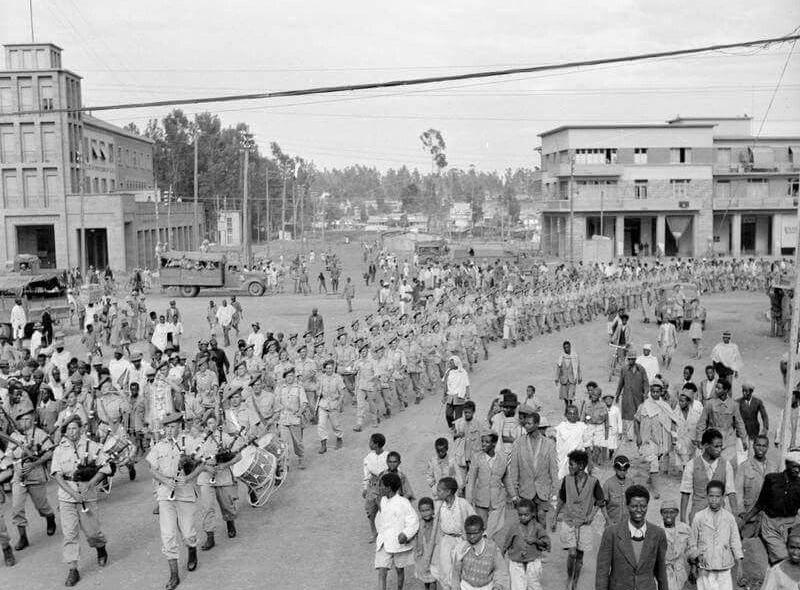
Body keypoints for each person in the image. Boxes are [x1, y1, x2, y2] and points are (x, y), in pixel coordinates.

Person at [50, 415, 110, 587]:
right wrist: (71, 493)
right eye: (68, 429)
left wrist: (91, 483)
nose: (72, 432)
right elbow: (57, 475)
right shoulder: (59, 449)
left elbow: (105, 468)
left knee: (92, 532)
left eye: (74, 428)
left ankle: (100, 547)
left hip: (87, 494)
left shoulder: (92, 446)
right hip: (67, 497)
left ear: (81, 429)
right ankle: (73, 569)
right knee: (69, 534)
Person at [146, 412, 203, 590]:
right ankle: (174, 575)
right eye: (167, 427)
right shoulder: (158, 446)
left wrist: (189, 477)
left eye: (173, 427)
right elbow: (152, 469)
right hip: (165, 494)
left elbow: (202, 463)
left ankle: (192, 549)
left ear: (180, 427)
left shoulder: (189, 442)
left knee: (188, 533)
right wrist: (164, 480)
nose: (170, 430)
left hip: (185, 493)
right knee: (168, 535)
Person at [595, 484, 669, 590]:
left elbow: (661, 572)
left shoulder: (658, 534)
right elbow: (602, 572)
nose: (639, 510)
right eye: (634, 506)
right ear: (627, 506)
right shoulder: (611, 533)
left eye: (643, 506)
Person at [552, 449, 604, 590]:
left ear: (581, 466)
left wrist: (591, 516)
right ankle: (570, 577)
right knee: (572, 553)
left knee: (580, 556)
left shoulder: (593, 482)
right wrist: (555, 516)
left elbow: (600, 501)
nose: (569, 467)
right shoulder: (567, 480)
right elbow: (562, 499)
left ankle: (575, 581)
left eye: (571, 464)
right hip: (569, 522)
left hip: (584, 524)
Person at [736, 450, 800, 565]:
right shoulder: (772, 479)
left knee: (795, 556)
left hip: (792, 525)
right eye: (795, 466)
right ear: (787, 464)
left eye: (799, 467)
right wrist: (744, 520)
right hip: (771, 526)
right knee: (783, 558)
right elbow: (760, 503)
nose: (797, 470)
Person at [5, 408, 56, 550]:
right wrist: (16, 456)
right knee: (16, 508)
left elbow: (50, 452)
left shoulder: (39, 433)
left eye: (27, 419)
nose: (23, 422)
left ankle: (50, 517)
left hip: (35, 474)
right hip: (19, 475)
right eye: (21, 420)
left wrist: (35, 462)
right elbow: (9, 454)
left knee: (42, 505)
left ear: (32, 420)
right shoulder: (14, 435)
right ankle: (23, 537)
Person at [688, 480, 746, 590]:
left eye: (717, 496)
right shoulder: (699, 517)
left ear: (723, 497)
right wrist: (697, 557)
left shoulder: (729, 518)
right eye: (711, 496)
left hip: (724, 568)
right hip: (705, 568)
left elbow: (735, 542)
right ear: (707, 496)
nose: (714, 499)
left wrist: (740, 566)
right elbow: (692, 542)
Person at [507, 407, 559, 527]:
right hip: (525, 490)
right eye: (525, 423)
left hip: (543, 490)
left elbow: (553, 469)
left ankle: (542, 538)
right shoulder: (518, 443)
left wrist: (555, 491)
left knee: (541, 518)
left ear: (537, 424)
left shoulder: (549, 444)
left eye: (529, 423)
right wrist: (514, 493)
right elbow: (514, 469)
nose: (526, 426)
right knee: (526, 522)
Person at [197, 414, 241, 550]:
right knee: (207, 507)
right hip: (206, 476)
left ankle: (230, 522)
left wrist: (225, 465)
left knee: (227, 504)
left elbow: (238, 456)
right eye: (208, 423)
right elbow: (195, 459)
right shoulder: (200, 440)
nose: (211, 425)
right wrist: (205, 466)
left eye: (213, 422)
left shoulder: (224, 437)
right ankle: (210, 537)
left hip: (222, 475)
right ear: (205, 425)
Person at [679, 428, 737, 524]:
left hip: (719, 517)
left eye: (721, 446)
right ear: (706, 445)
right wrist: (682, 520)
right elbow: (685, 493)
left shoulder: (726, 465)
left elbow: (731, 492)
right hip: (697, 517)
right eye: (716, 446)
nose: (719, 450)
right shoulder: (691, 465)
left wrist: (735, 516)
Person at [374, 472, 419, 590]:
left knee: (399, 569)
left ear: (388, 488)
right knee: (382, 571)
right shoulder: (382, 500)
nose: (380, 488)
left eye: (382, 485)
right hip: (384, 541)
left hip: (398, 543)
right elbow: (380, 518)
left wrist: (405, 534)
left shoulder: (403, 502)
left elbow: (413, 521)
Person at [430, 476, 475, 588]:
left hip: (462, 541)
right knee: (445, 569)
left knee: (461, 569)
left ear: (448, 492)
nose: (437, 492)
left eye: (439, 490)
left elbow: (474, 520)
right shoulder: (439, 505)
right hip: (446, 540)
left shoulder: (463, 504)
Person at [634, 379, 674, 499]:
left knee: (654, 462)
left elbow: (668, 425)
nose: (655, 394)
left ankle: (649, 483)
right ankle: (653, 489)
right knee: (650, 462)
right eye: (653, 391)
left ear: (661, 392)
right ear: (650, 392)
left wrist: (667, 441)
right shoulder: (643, 406)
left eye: (657, 392)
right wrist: (638, 436)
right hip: (645, 439)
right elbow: (636, 421)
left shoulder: (664, 407)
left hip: (658, 440)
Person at [466, 430, 507, 542]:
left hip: (497, 499)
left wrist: (513, 496)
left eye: (487, 442)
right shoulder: (477, 458)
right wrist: (469, 499)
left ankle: (492, 548)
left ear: (494, 443)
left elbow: (506, 478)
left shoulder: (502, 459)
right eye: (482, 441)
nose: (483, 444)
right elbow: (471, 480)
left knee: (494, 529)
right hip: (481, 499)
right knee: (481, 527)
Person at [696, 379, 748, 465]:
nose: (716, 390)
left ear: (726, 390)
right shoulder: (710, 403)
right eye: (716, 387)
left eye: (719, 388)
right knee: (711, 464)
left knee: (726, 464)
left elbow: (739, 423)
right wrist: (699, 438)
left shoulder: (734, 405)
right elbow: (702, 422)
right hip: (712, 438)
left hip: (728, 441)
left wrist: (744, 439)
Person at [502, 498, 550, 590]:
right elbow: (506, 543)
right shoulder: (514, 527)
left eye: (526, 515)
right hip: (516, 561)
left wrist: (535, 540)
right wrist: (500, 557)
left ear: (533, 514)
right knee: (517, 586)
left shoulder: (538, 527)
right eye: (520, 515)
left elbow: (546, 544)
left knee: (534, 585)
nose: (523, 517)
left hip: (533, 560)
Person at [451, 514, 508, 590]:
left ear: (482, 531)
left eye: (475, 533)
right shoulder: (461, 548)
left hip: (486, 587)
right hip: (466, 586)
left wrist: (498, 586)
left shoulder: (492, 548)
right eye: (469, 533)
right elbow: (455, 572)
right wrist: (456, 587)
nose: (471, 536)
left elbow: (500, 570)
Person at [735, 433, 774, 538]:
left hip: (767, 518)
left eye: (764, 446)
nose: (761, 448)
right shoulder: (744, 466)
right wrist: (742, 512)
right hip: (749, 516)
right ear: (753, 446)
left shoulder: (773, 467)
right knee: (747, 544)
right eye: (758, 445)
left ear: (767, 448)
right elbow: (738, 492)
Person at [615, 352, 649, 441]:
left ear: (635, 359)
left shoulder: (641, 369)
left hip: (638, 396)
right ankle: (630, 436)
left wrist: (645, 394)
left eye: (633, 359)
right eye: (629, 359)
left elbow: (646, 383)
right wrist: (617, 395)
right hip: (628, 396)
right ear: (627, 359)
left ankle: (638, 433)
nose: (631, 361)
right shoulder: (624, 369)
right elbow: (621, 383)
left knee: (639, 414)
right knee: (628, 415)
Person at [660, 499, 691, 590]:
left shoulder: (685, 529)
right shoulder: (657, 531)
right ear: (661, 513)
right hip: (664, 572)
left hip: (681, 571)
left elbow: (691, 549)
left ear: (677, 513)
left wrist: (693, 564)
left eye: (672, 512)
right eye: (665, 512)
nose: (668, 515)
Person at [316, 359, 346, 453]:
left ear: (333, 368)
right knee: (321, 425)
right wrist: (318, 392)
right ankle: (323, 444)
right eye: (327, 368)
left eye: (330, 368)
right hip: (323, 404)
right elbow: (317, 391)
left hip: (334, 404)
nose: (329, 370)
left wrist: (338, 404)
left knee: (335, 425)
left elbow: (342, 393)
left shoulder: (338, 378)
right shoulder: (321, 378)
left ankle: (339, 438)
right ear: (324, 369)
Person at [363, 433, 388, 542]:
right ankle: (375, 533)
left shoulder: (388, 456)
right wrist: (365, 488)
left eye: (371, 442)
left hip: (385, 487)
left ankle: (386, 533)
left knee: (385, 511)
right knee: (370, 511)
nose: (369, 444)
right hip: (372, 486)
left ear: (376, 444)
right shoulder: (368, 458)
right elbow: (366, 474)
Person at [413, 497, 437, 590]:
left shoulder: (437, 523)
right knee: (425, 577)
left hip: (434, 554)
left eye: (428, 510)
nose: (425, 513)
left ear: (433, 510)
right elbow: (414, 536)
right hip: (423, 554)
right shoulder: (418, 523)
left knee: (433, 578)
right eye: (423, 511)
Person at [738, 381, 769, 449]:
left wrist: (765, 428)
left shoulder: (757, 402)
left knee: (753, 449)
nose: (744, 393)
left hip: (754, 430)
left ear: (751, 392)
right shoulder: (738, 402)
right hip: (741, 431)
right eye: (743, 391)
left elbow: (764, 416)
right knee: (742, 449)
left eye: (746, 391)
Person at [443, 355, 470, 430]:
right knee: (448, 414)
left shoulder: (463, 372)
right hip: (450, 396)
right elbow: (445, 384)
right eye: (449, 363)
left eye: (451, 363)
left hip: (459, 396)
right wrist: (444, 395)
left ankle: (457, 429)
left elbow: (467, 384)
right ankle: (452, 426)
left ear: (456, 363)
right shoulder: (448, 372)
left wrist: (468, 395)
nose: (449, 364)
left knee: (458, 417)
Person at [555, 341, 582, 411]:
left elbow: (578, 367)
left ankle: (570, 407)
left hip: (572, 379)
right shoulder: (561, 357)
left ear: (570, 347)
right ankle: (567, 407)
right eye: (565, 348)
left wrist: (579, 376)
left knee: (571, 395)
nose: (566, 349)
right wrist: (556, 378)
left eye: (567, 347)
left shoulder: (575, 356)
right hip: (564, 379)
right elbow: (558, 368)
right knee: (565, 395)